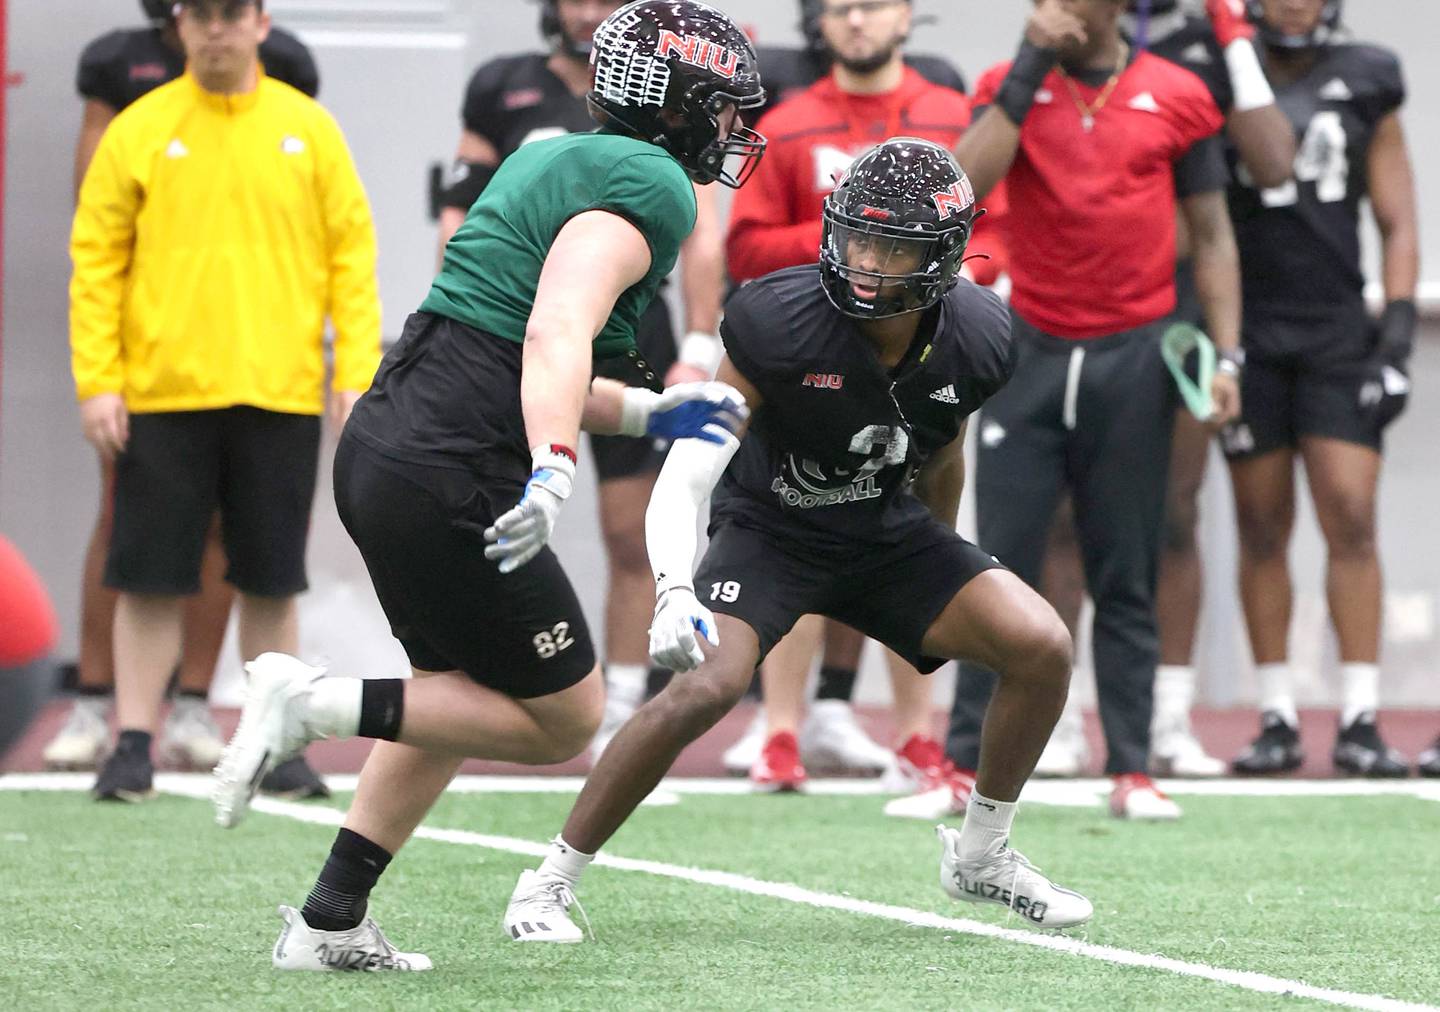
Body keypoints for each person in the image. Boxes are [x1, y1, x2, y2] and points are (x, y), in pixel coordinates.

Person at [209, 0, 763, 972]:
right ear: (675, 106)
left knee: (455, 692)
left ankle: (329, 917)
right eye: (718, 108)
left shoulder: (547, 156)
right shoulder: (655, 186)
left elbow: (521, 346)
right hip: (453, 460)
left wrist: (641, 414)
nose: (729, 130)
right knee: (567, 712)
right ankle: (314, 704)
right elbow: (554, 332)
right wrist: (552, 466)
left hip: (394, 438)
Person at [501, 139, 1092, 943]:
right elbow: (688, 473)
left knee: (1042, 645)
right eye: (859, 237)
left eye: (894, 246)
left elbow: (943, 452)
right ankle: (549, 880)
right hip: (771, 532)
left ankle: (983, 854)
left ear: (944, 254)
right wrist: (675, 587)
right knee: (706, 688)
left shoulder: (982, 334)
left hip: (886, 535)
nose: (866, 261)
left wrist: (941, 559)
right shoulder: (774, 319)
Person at [935, 0, 1243, 822]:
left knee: (1126, 561)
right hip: (1028, 349)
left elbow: (1212, 235)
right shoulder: (1010, 82)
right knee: (994, 564)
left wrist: (1229, 353)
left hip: (1135, 352)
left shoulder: (1177, 91)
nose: (1056, 6)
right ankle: (963, 762)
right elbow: (964, 187)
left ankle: (1132, 767)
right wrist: (1030, 61)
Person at [68, 0, 379, 802]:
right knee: (147, 576)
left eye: (230, 12)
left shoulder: (308, 129)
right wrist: (97, 379)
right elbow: (95, 259)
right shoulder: (139, 127)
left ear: (260, 22)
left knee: (272, 578)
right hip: (163, 390)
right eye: (200, 14)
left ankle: (278, 741)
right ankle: (132, 741)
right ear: (179, 25)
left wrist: (357, 371)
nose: (216, 28)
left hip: (278, 391)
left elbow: (352, 253)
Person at [434, 0, 730, 764]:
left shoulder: (644, 155)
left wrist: (695, 344)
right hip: (526, 331)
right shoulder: (513, 91)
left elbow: (699, 240)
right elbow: (544, 320)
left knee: (628, 530)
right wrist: (554, 470)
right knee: (513, 514)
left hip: (599, 331)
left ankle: (625, 692)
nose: (592, 9)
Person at [1034, 0, 1299, 780]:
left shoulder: (1205, 44)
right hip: (1067, 307)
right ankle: (1059, 717)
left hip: (1175, 307)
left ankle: (1168, 717)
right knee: (1061, 518)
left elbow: (1276, 164)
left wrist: (1232, 33)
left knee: (1174, 513)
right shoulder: (1072, 34)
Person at [722, 0, 975, 795]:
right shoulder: (793, 120)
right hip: (816, 350)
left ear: (907, 16)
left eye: (874, 5)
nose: (858, 22)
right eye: (841, 9)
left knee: (919, 534)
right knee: (796, 521)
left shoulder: (949, 114)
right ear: (819, 26)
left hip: (921, 348)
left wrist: (909, 261)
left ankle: (917, 738)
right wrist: (868, 243)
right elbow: (747, 242)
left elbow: (987, 228)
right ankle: (781, 731)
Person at [1222, 0, 1418, 777]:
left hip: (1336, 329)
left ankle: (1361, 716)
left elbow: (1398, 219)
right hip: (1250, 329)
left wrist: (1397, 337)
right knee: (1260, 524)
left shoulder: (1368, 74)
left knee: (1350, 513)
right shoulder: (1218, 73)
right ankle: (1276, 715)